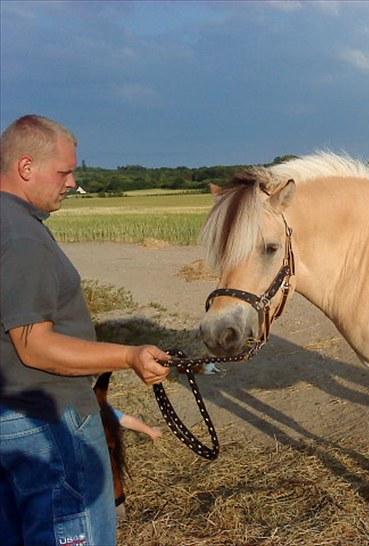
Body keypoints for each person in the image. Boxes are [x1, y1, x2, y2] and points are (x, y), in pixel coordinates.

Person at [0, 114, 171, 546]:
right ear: (26, 168)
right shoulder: (22, 238)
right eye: (64, 171)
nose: (73, 181)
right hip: (50, 423)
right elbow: (34, 346)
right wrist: (129, 356)